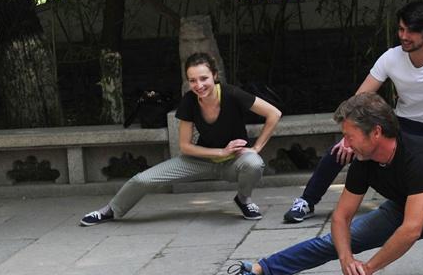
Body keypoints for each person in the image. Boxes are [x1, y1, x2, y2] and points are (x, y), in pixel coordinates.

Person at [218, 93, 423, 275]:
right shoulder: (363, 160)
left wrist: (369, 268)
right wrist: (346, 259)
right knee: (331, 242)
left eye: (350, 135)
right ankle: (259, 272)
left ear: (376, 133)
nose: (344, 144)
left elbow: (411, 230)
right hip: (402, 209)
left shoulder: (419, 157)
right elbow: (341, 217)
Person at [283, 1, 423, 223]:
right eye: (401, 29)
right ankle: (307, 200)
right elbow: (359, 99)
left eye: (411, 31)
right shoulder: (391, 57)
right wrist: (348, 138)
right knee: (340, 150)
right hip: (400, 125)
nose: (404, 35)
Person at [80, 52, 282, 226]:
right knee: (142, 179)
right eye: (193, 80)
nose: (199, 85)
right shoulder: (189, 101)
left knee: (254, 163)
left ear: (215, 76)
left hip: (235, 161)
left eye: (204, 78)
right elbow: (185, 146)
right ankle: (110, 210)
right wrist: (220, 152)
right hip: (201, 160)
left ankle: (243, 200)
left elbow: (274, 113)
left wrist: (255, 148)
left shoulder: (232, 94)